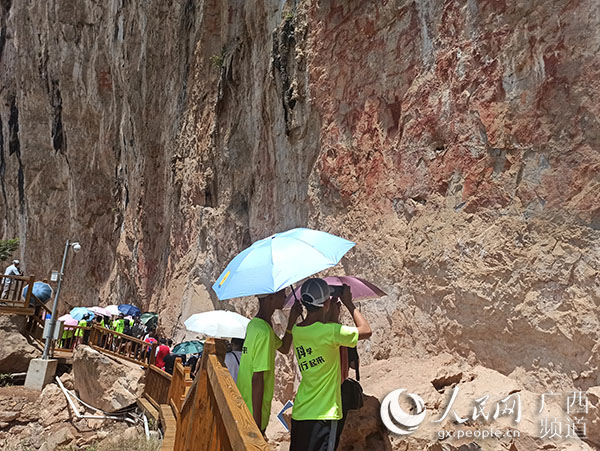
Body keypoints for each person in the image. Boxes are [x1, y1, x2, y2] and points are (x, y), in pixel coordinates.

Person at [290, 279, 371, 451]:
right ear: (326, 303)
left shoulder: (297, 331)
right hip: (324, 414)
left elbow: (318, 331)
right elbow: (366, 330)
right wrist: (349, 304)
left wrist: (330, 314)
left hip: (301, 412)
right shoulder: (331, 332)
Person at [237, 290, 302, 436]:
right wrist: (257, 424)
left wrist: (291, 321)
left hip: (244, 405)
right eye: (281, 294)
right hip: (254, 414)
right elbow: (257, 378)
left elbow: (284, 348)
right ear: (270, 298)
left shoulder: (255, 325)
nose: (285, 297)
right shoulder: (264, 332)